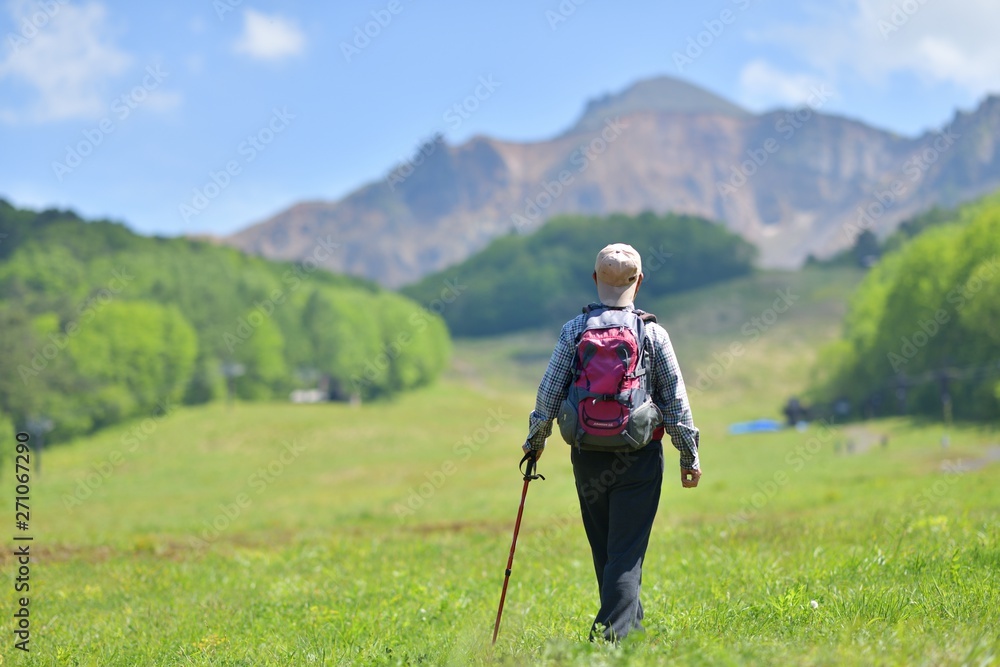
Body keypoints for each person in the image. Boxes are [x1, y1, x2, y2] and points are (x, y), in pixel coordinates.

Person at [522, 243, 701, 642]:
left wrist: (536, 440)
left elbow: (549, 392)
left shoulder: (574, 330)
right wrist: (689, 455)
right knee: (625, 551)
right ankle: (613, 638)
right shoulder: (652, 332)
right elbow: (674, 400)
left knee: (605, 548)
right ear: (639, 282)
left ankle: (628, 631)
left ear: (594, 280)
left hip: (587, 453)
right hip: (638, 455)